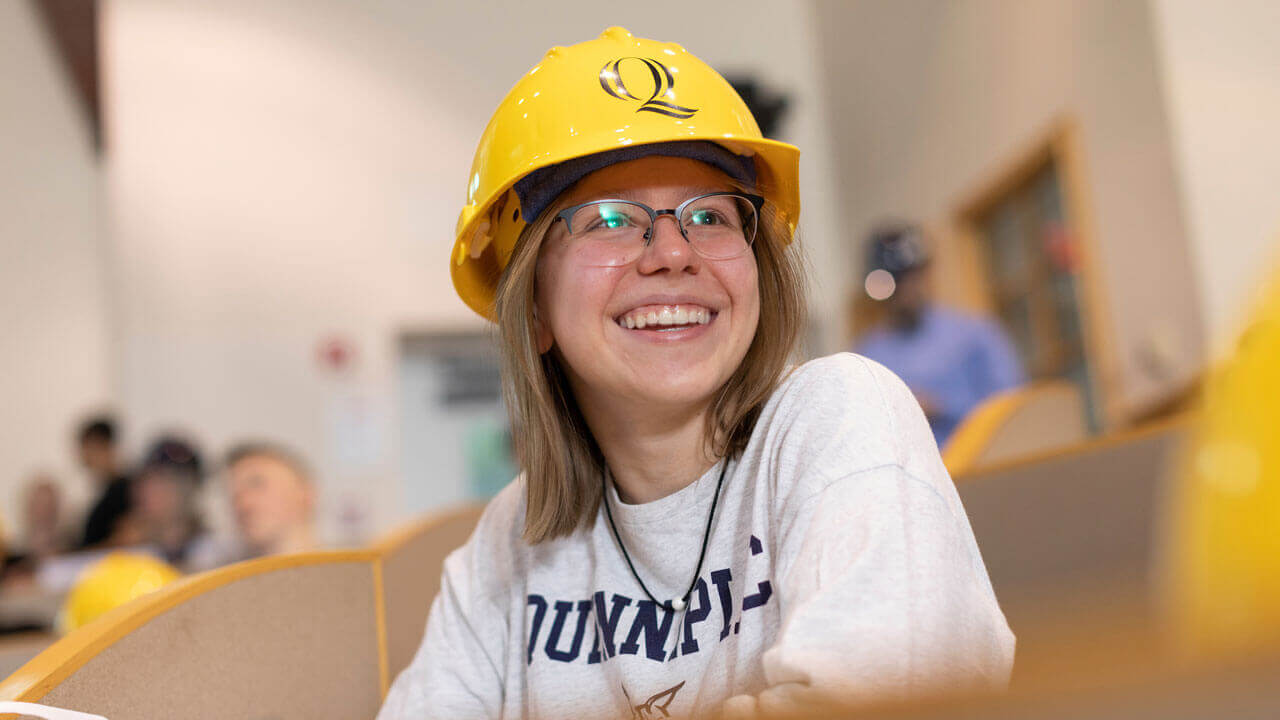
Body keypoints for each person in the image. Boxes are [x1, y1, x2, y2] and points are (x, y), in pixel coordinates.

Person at [380, 28, 1013, 720]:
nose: (674, 252)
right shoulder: (506, 546)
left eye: (709, 214)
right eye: (612, 217)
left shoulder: (839, 417)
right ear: (532, 307)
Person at [853, 224, 1025, 447]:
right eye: (892, 282)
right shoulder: (868, 355)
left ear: (924, 273)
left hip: (981, 467)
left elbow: (1012, 409)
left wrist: (942, 407)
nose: (903, 292)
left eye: (909, 278)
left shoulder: (975, 334)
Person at [132, 436, 222, 572]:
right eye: (149, 481)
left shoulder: (222, 555)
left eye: (167, 482)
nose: (148, 491)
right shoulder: (128, 561)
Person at [224, 442, 318, 558]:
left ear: (306, 493)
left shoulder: (344, 569)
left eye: (257, 484)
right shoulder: (213, 572)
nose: (244, 503)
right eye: (235, 495)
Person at [74, 415, 136, 549]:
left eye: (91, 449)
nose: (85, 457)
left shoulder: (126, 491)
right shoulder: (101, 492)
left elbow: (127, 538)